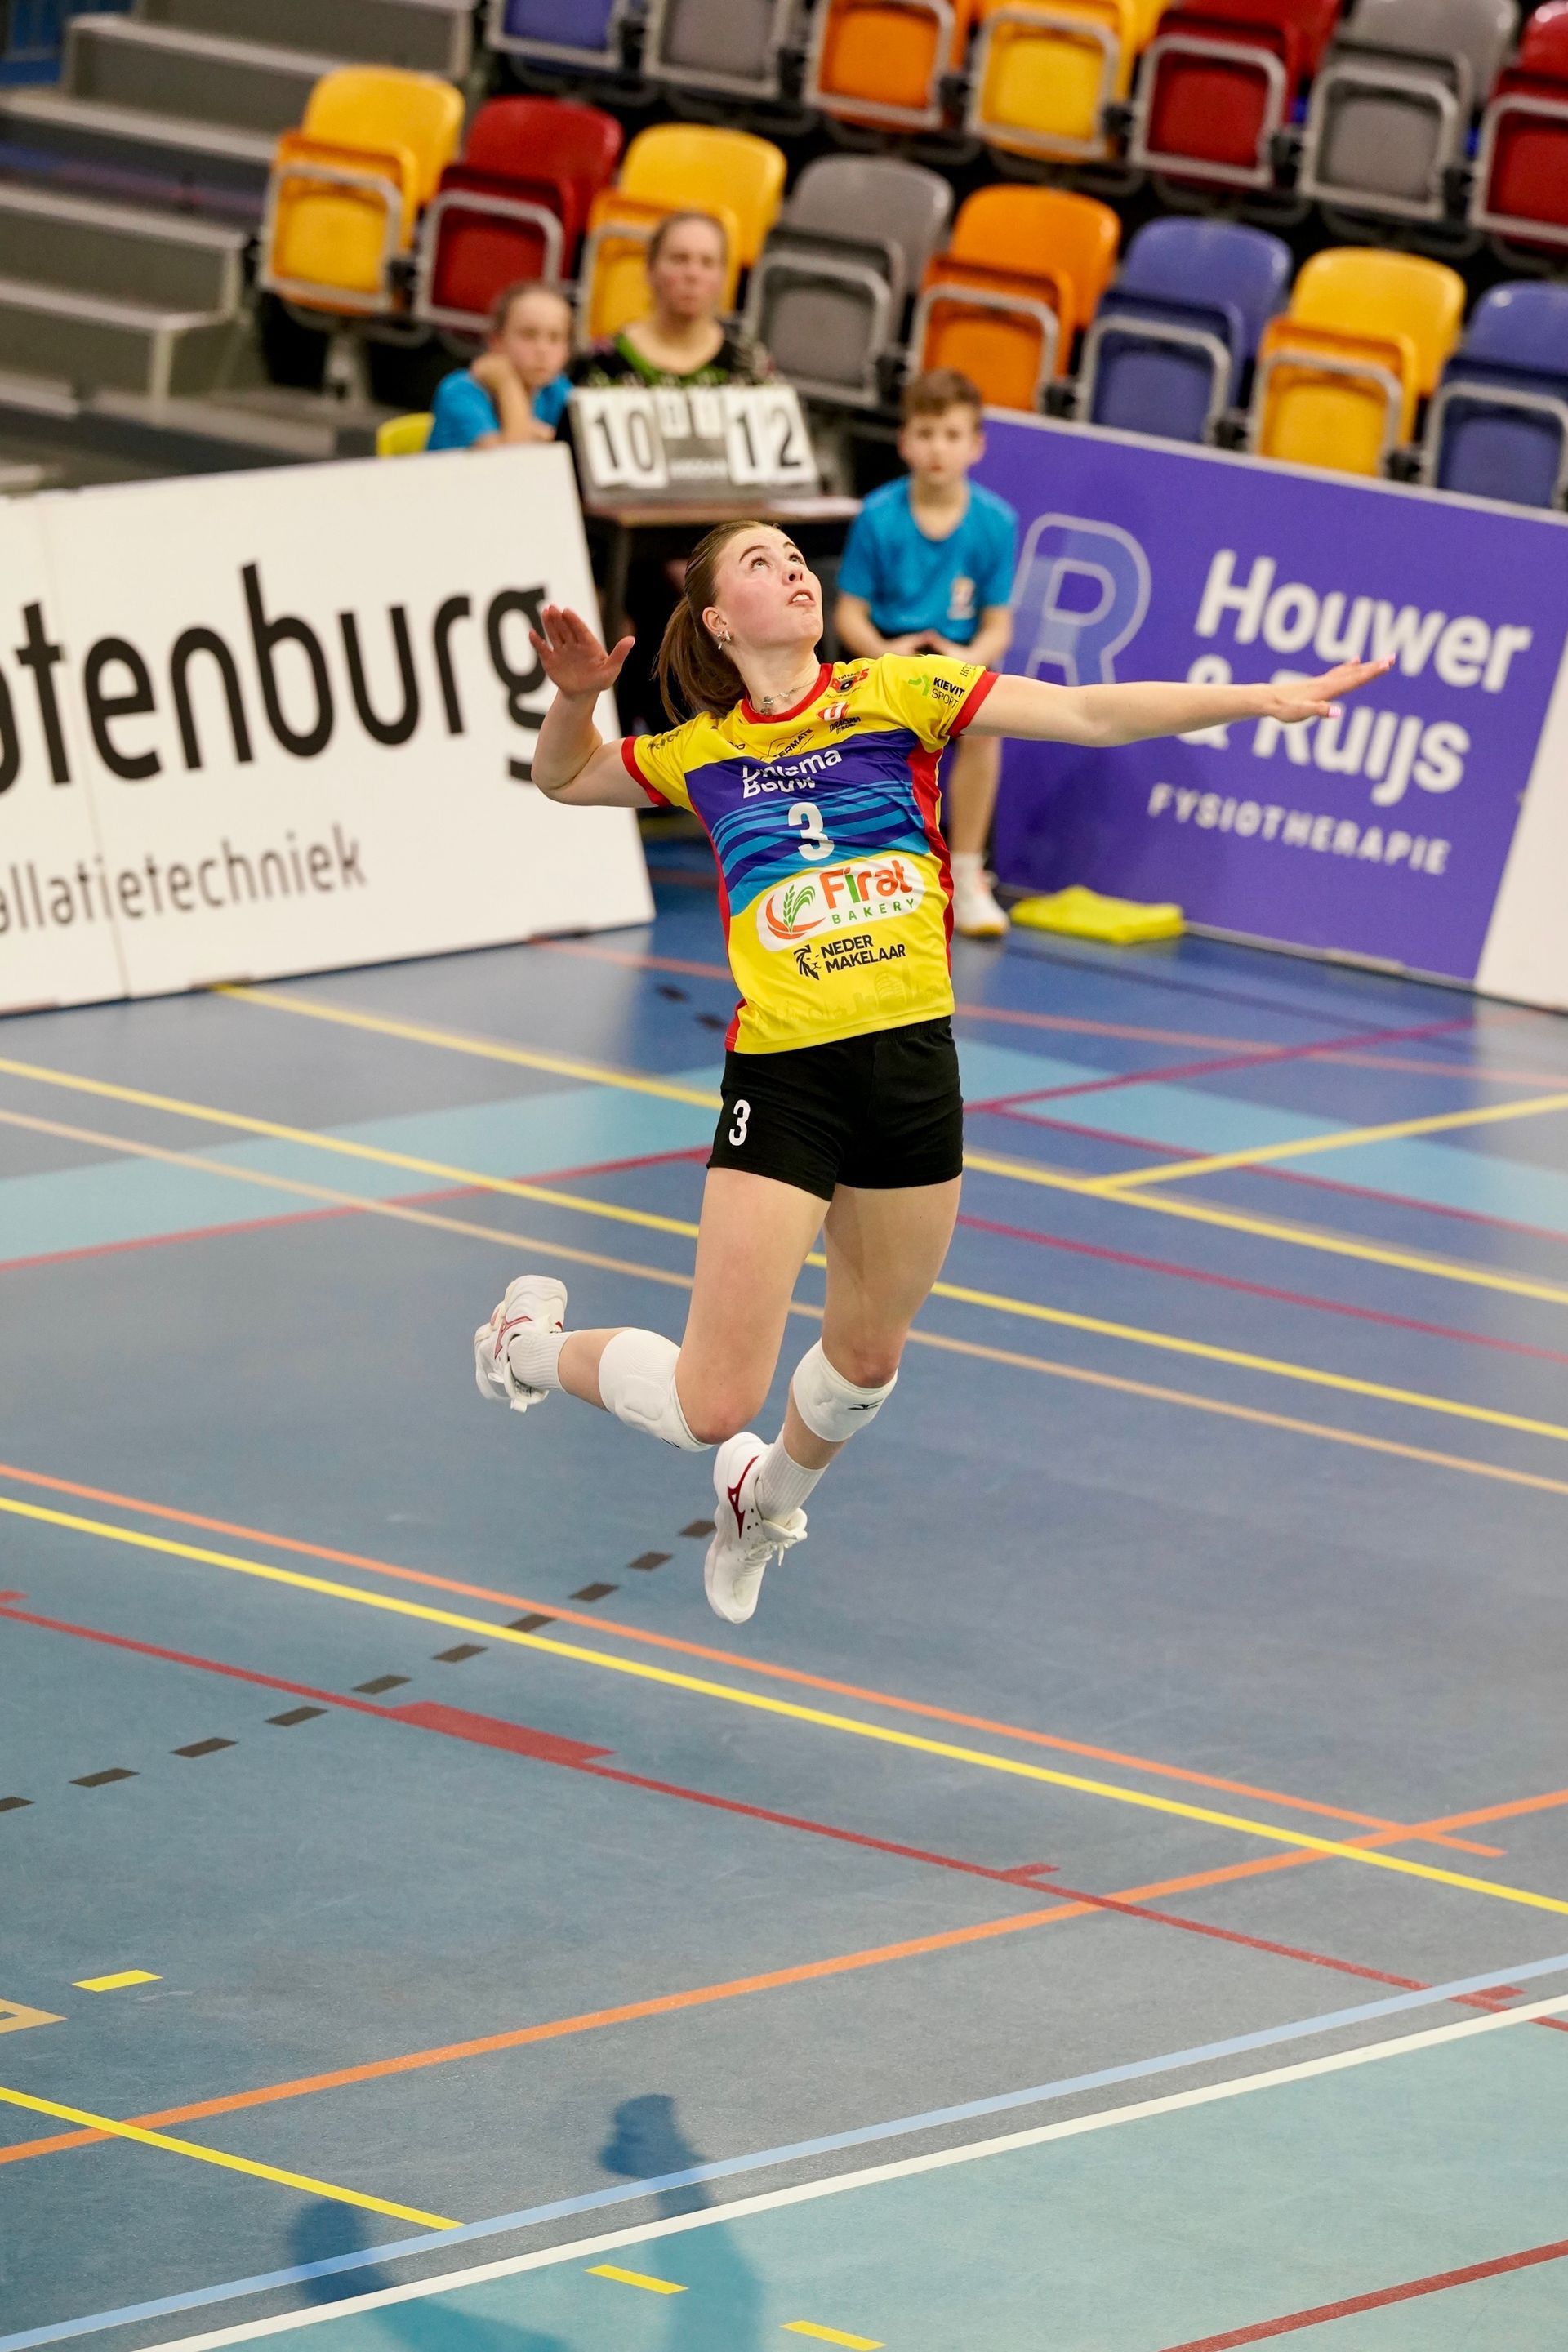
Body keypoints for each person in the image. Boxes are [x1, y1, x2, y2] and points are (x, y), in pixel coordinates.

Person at [473, 519, 1389, 1627]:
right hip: (789, 1076)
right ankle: (525, 1346)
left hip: (912, 1066)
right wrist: (574, 695)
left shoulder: (901, 693)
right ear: (718, 617)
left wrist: (1252, 697)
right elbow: (564, 778)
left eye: (798, 557)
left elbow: (1089, 712)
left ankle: (761, 1503)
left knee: (864, 1358)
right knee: (714, 1401)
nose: (794, 568)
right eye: (760, 562)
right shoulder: (700, 749)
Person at [835, 369, 1018, 939]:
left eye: (952, 434)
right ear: (905, 442)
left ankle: (965, 875)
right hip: (887, 657)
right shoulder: (876, 516)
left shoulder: (996, 522)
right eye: (926, 432)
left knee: (988, 726)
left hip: (957, 662)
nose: (938, 447)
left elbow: (999, 626)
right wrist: (885, 653)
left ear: (976, 445)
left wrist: (968, 659)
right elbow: (848, 614)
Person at [568, 210, 770, 392]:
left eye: (707, 263)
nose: (693, 274)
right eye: (679, 259)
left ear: (724, 277)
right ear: (650, 269)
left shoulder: (749, 367)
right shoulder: (602, 367)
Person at [426, 282, 573, 452]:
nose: (542, 349)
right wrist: (507, 383)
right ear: (496, 341)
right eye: (528, 335)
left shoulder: (557, 390)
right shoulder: (459, 392)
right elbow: (509, 466)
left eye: (555, 338)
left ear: (567, 351)